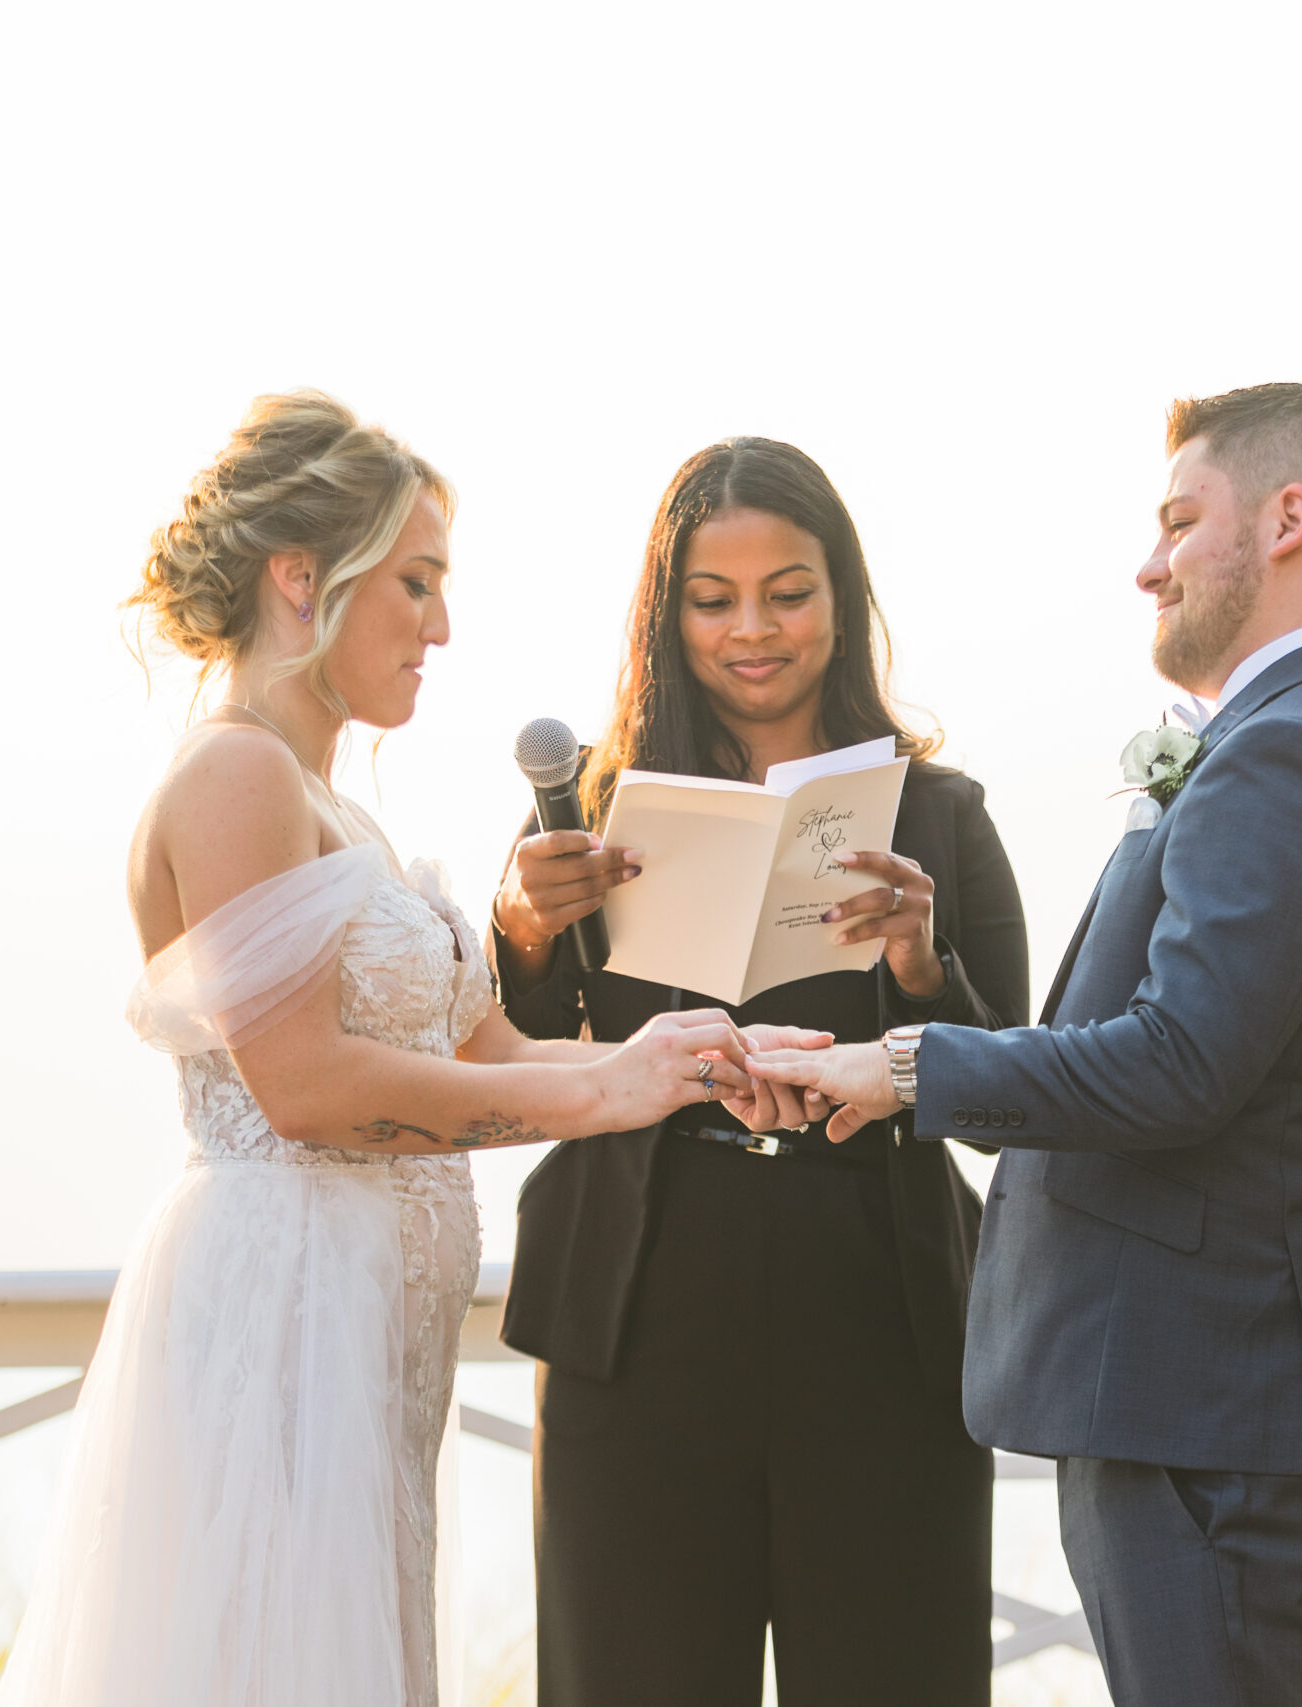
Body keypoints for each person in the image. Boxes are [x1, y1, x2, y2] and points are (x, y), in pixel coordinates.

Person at [0, 392, 815, 1707]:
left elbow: (484, 1041)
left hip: (365, 1346)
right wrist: (604, 1092)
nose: (441, 626)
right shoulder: (236, 776)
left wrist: (677, 1051)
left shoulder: (336, 807)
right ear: (301, 577)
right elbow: (307, 1086)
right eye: (418, 583)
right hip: (285, 1324)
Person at [750, 384, 1302, 1707]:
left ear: (1289, 518)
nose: (1150, 561)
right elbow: (1158, 1049)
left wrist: (902, 1067)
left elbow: (1180, 1064)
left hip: (1217, 1396)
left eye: (1182, 520)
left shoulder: (1293, 746)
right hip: (1220, 1390)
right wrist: (926, 990)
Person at [488, 436, 1028, 1706]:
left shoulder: (941, 815)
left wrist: (914, 958)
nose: (753, 631)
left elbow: (1015, 1089)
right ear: (666, 618)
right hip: (638, 1300)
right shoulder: (585, 808)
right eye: (712, 599)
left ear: (842, 601)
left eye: (789, 591)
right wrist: (516, 922)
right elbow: (506, 1050)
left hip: (878, 1304)